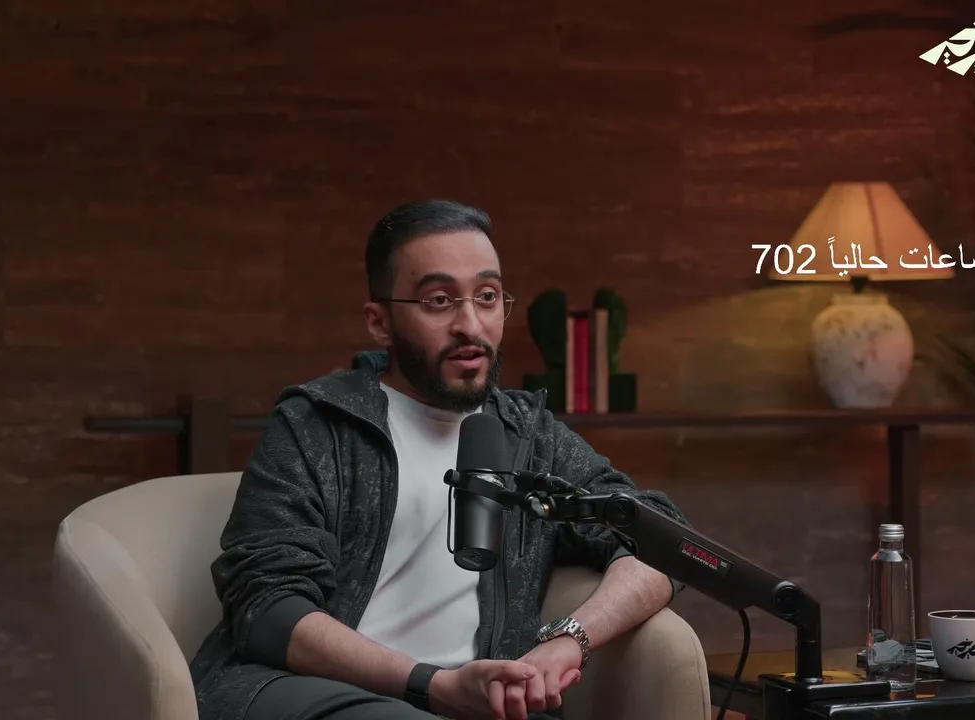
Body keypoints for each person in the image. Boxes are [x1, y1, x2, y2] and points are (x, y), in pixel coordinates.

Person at [189, 199, 690, 720]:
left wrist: (568, 641)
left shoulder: (530, 435)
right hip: (318, 691)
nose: (470, 325)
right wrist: (431, 685)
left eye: (487, 297)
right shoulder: (316, 423)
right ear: (380, 323)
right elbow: (268, 609)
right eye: (439, 301)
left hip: (483, 703)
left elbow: (659, 537)